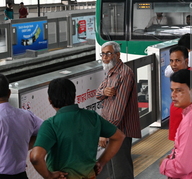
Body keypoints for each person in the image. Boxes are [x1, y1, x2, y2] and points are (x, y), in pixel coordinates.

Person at [30, 78, 125, 179]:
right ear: (74, 96)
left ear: (50, 99)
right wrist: (101, 162)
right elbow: (119, 136)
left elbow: (36, 157)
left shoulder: (50, 125)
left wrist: (49, 175)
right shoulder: (92, 117)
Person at [96, 41, 141, 179]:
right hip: (113, 129)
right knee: (111, 168)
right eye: (103, 54)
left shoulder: (125, 74)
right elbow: (98, 93)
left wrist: (106, 132)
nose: (105, 57)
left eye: (108, 54)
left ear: (117, 54)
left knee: (121, 169)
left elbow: (118, 109)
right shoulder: (111, 72)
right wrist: (104, 91)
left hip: (120, 130)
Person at [0, 73, 43, 179]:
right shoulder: (27, 115)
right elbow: (46, 132)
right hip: (21, 175)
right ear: (9, 93)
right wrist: (23, 147)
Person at [164, 45, 189, 140]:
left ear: (186, 61)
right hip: (178, 125)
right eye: (171, 61)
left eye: (177, 61)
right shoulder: (178, 76)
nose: (173, 64)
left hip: (185, 128)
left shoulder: (189, 79)